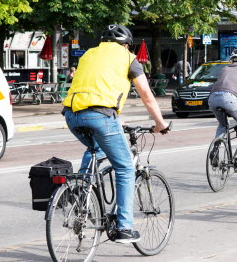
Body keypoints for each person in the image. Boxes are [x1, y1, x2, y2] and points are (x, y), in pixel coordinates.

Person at [61, 24, 169, 244]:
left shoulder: (88, 54)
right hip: (100, 116)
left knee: (95, 148)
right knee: (125, 167)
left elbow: (92, 86)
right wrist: (160, 123)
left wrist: (114, 118)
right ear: (127, 44)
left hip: (71, 114)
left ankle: (81, 192)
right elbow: (147, 95)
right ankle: (124, 228)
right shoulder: (129, 58)